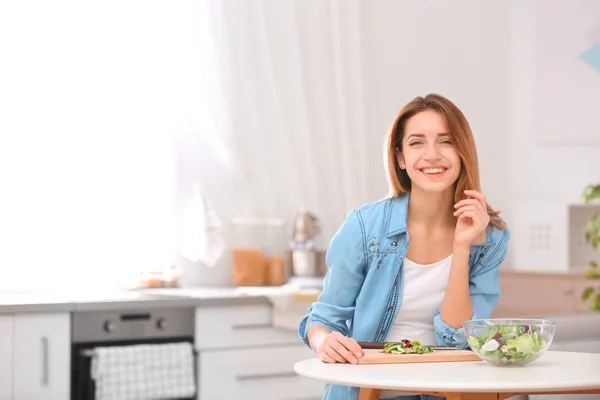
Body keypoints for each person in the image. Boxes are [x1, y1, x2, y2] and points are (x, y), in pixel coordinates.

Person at [298, 94, 510, 400]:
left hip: (445, 392)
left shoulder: (490, 238)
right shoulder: (363, 227)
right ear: (400, 157)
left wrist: (462, 246)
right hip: (367, 391)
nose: (432, 154)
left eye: (446, 141)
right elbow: (320, 322)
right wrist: (324, 342)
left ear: (462, 151)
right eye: (417, 143)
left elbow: (458, 338)